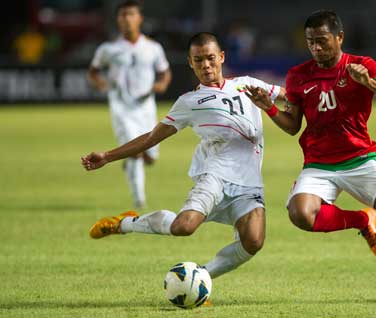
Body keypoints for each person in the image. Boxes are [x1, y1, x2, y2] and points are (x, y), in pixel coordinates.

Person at [245, 10, 376, 304]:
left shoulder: (362, 65)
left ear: (339, 37)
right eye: (311, 42)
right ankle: (362, 221)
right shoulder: (299, 75)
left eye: (322, 41)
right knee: (300, 214)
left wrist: (369, 83)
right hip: (319, 164)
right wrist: (269, 108)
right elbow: (292, 127)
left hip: (360, 159)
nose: (316, 48)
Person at [82, 32, 285, 287]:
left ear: (221, 57)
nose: (206, 65)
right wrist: (108, 156)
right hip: (215, 176)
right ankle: (125, 223)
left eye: (211, 58)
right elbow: (151, 138)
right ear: (190, 62)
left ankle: (201, 279)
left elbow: (293, 98)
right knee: (183, 227)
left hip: (249, 182)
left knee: (254, 241)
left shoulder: (247, 84)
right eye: (198, 60)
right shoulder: (189, 102)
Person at [87, 0, 172, 208]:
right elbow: (93, 71)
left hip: (145, 107)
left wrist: (161, 84)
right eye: (123, 15)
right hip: (121, 107)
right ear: (117, 19)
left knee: (150, 156)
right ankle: (139, 200)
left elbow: (165, 72)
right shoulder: (108, 49)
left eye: (131, 14)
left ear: (140, 18)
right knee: (136, 151)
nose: (126, 19)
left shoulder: (153, 48)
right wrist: (101, 84)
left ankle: (131, 158)